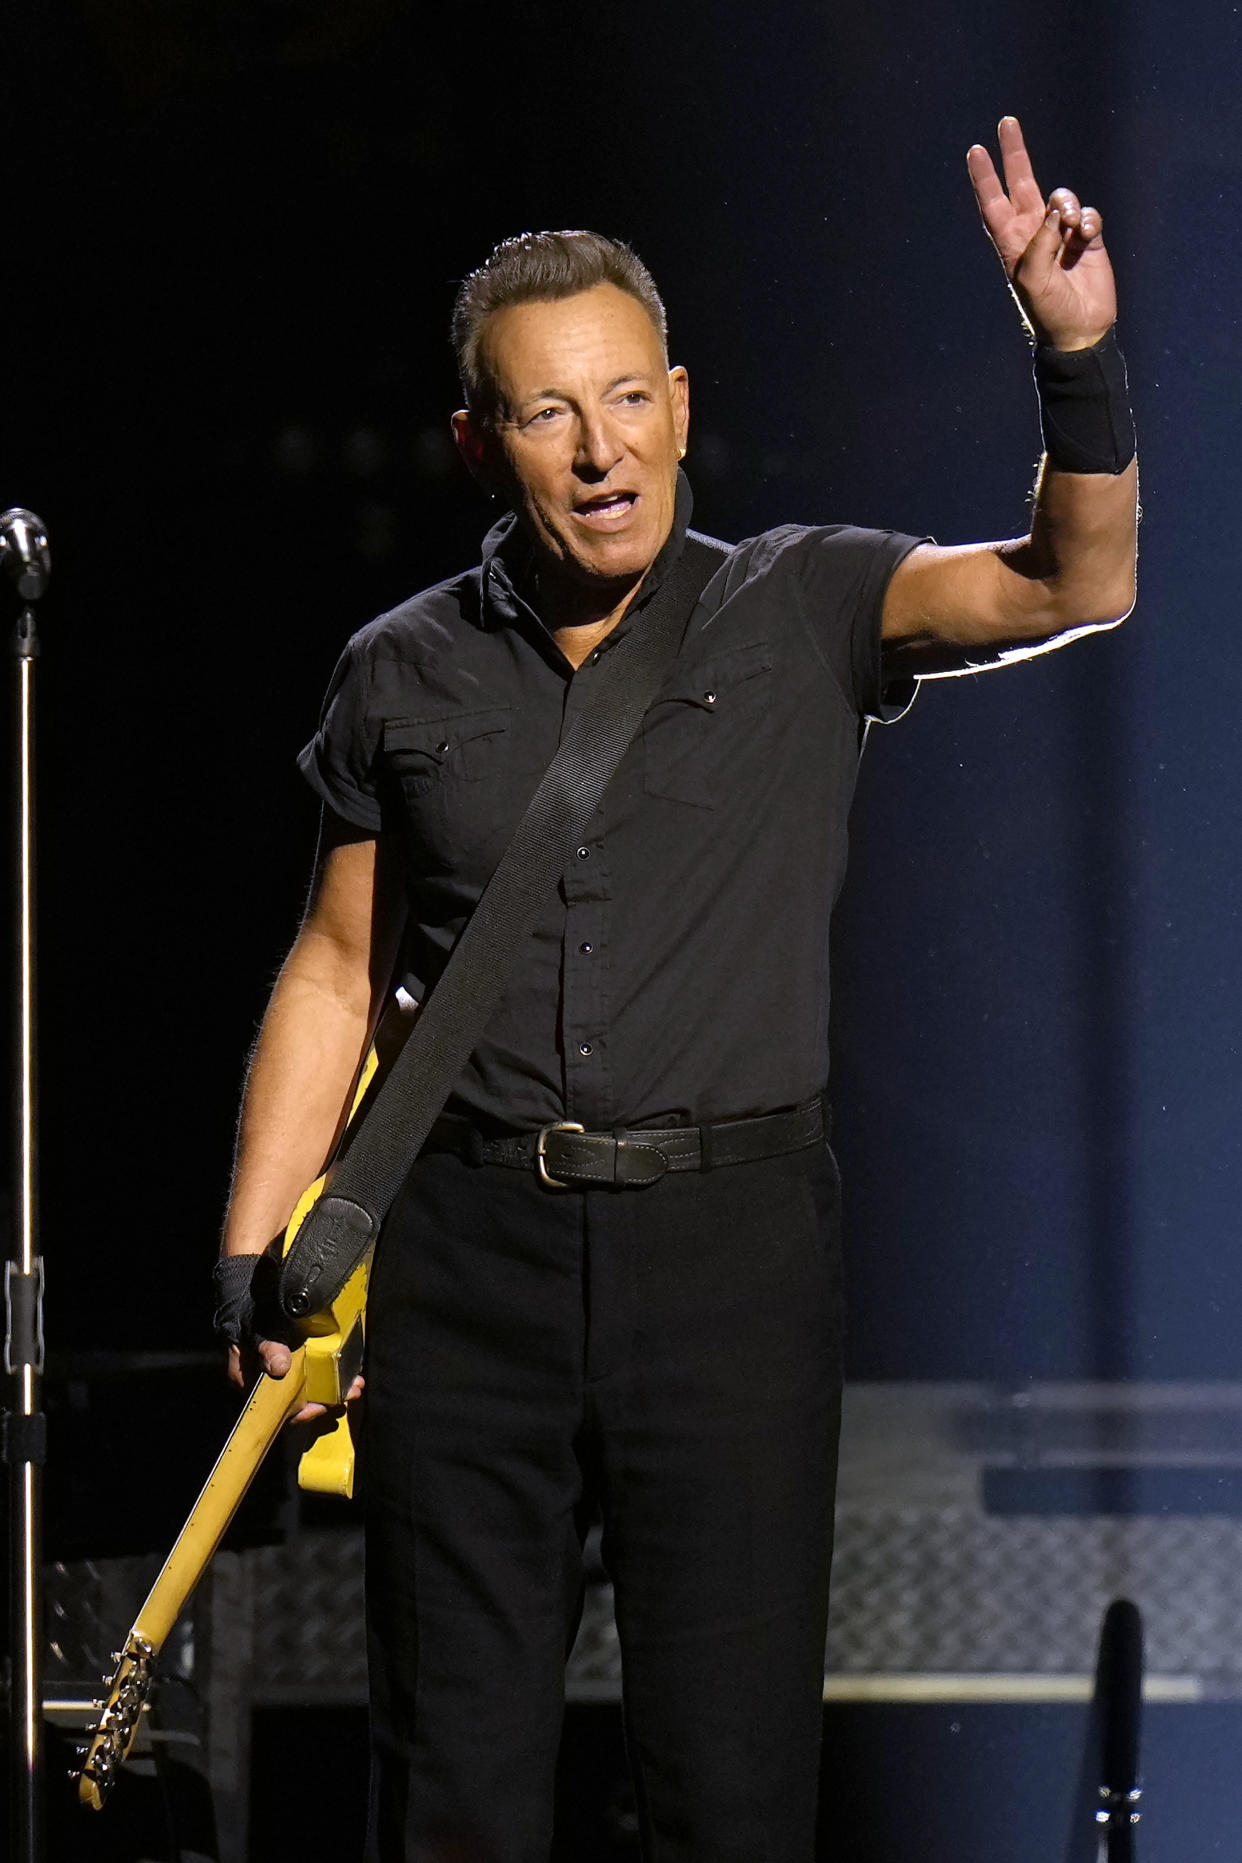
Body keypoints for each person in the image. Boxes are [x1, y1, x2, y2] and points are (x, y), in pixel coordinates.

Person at [214, 117, 1137, 1862]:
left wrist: (1071, 357)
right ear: (479, 443)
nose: (600, 450)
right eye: (550, 413)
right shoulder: (397, 670)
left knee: (725, 1792)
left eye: (628, 399)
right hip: (467, 1270)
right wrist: (258, 1247)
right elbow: (337, 969)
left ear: (682, 405)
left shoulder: (805, 604)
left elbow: (1074, 581)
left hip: (729, 1259)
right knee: (452, 1792)